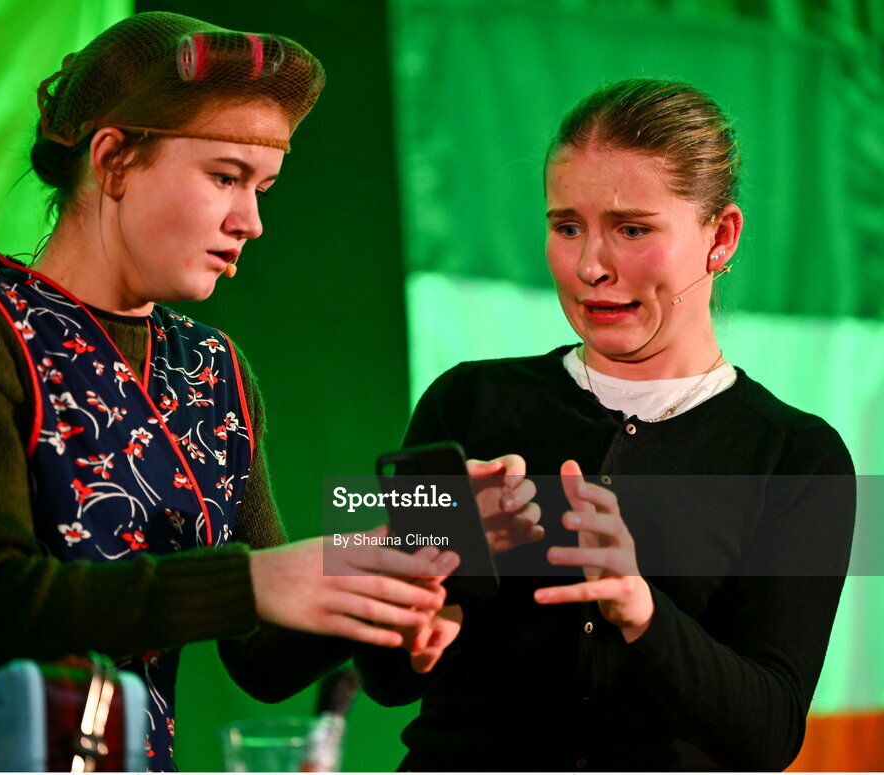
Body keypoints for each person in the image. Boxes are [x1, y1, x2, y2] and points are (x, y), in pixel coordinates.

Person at [0, 12, 467, 771]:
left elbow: (265, 656)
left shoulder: (213, 367)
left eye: (263, 189)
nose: (249, 220)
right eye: (225, 177)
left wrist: (389, 579)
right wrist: (251, 578)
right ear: (113, 159)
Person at [355, 78, 856, 771]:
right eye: (566, 227)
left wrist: (639, 607)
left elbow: (767, 734)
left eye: (631, 228)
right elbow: (384, 680)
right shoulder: (467, 400)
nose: (590, 266)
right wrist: (414, 609)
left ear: (721, 235)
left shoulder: (796, 455)